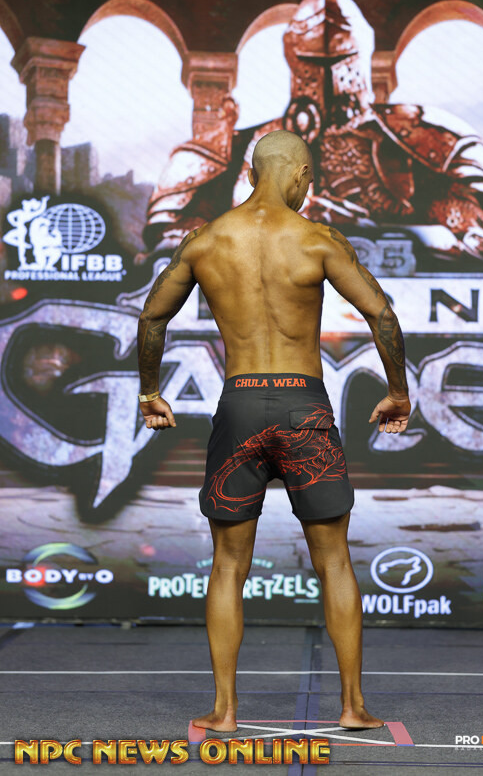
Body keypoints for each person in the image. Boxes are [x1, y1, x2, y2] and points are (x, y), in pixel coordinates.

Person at [137, 129, 411, 733]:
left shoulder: (205, 241)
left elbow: (153, 316)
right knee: (334, 561)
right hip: (302, 406)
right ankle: (352, 706)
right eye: (309, 180)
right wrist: (398, 390)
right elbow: (381, 313)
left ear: (251, 172)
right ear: (300, 174)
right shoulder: (317, 239)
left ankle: (225, 711)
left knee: (228, 565)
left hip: (240, 406)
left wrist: (150, 392)